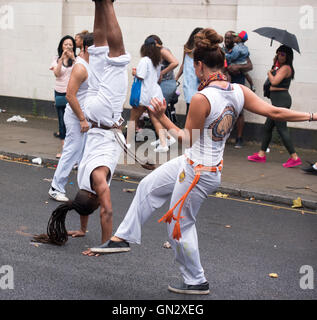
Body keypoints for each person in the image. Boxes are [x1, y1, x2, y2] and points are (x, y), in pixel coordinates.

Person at [87, 28, 317, 295]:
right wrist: (312, 116)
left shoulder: (201, 98)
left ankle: (196, 280)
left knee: (179, 225)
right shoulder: (238, 91)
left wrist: (160, 117)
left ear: (198, 65)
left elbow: (186, 138)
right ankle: (121, 238)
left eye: (193, 65)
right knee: (149, 185)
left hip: (198, 172)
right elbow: (275, 110)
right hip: (194, 164)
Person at [77, 0, 131, 247]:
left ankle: (107, 3)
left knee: (117, 53)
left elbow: (106, 211)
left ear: (95, 197)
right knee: (99, 49)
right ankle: (98, 3)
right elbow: (83, 205)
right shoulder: (81, 184)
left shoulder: (98, 180)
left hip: (105, 114)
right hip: (92, 111)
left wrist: (104, 244)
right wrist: (81, 229)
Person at [48, 33, 94, 204]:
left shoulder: (89, 63)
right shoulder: (81, 66)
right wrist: (82, 118)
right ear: (89, 48)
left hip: (85, 117)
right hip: (76, 116)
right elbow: (70, 95)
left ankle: (85, 189)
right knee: (71, 151)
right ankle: (55, 187)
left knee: (83, 154)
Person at [248, 45, 302, 168]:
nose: (279, 56)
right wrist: (274, 66)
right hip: (277, 101)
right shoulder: (280, 67)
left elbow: (274, 81)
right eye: (278, 53)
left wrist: (269, 73)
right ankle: (261, 154)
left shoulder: (286, 68)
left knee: (282, 129)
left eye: (282, 54)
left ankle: (294, 157)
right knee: (267, 127)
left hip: (281, 101)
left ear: (288, 56)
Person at [125, 36, 164, 150]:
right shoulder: (157, 62)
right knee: (156, 119)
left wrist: (134, 72)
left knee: (133, 119)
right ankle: (163, 142)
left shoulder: (145, 60)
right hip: (154, 95)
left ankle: (127, 143)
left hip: (143, 95)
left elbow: (141, 76)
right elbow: (157, 78)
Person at [148, 35, 178, 152]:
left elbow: (175, 62)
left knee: (156, 111)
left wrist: (162, 72)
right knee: (156, 111)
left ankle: (164, 141)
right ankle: (166, 137)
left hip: (167, 84)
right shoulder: (156, 52)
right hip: (161, 85)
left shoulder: (163, 50)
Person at [224, 30, 253, 149]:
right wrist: (226, 71)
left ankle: (239, 138)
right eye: (225, 38)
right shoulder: (221, 51)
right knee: (224, 110)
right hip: (225, 82)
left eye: (229, 38)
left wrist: (238, 66)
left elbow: (250, 66)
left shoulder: (239, 50)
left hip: (239, 82)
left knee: (239, 111)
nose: (227, 41)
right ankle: (222, 136)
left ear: (235, 39)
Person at [50, 35, 77, 158]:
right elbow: (57, 74)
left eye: (70, 44)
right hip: (60, 93)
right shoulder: (56, 59)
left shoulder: (76, 59)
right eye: (65, 44)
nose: (68, 46)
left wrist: (73, 58)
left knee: (72, 121)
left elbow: (82, 70)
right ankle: (65, 149)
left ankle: (73, 149)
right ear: (61, 45)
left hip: (72, 94)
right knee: (62, 122)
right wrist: (62, 59)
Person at [176, 27, 203, 117]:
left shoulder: (203, 50)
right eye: (197, 37)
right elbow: (183, 64)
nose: (199, 39)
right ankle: (190, 130)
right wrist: (176, 78)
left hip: (200, 82)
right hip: (189, 82)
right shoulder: (187, 48)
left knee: (199, 108)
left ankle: (195, 130)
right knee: (190, 106)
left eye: (201, 37)